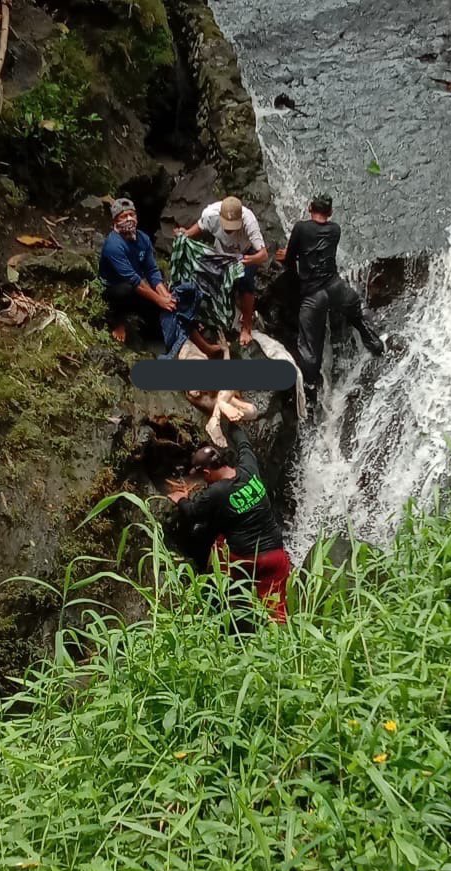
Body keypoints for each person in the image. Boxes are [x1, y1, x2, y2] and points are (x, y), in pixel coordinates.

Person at [167, 422, 291, 622]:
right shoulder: (249, 467)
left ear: (206, 473)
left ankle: (222, 609)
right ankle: (283, 643)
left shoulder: (216, 492)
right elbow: (243, 442)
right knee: (276, 612)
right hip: (275, 555)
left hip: (245, 560)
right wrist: (228, 419)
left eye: (202, 477)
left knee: (217, 549)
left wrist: (180, 498)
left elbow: (192, 513)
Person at [276, 193, 383, 394]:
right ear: (330, 213)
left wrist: (287, 257)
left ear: (309, 208)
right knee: (357, 317)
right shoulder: (335, 230)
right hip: (337, 288)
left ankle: (310, 386)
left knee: (309, 345)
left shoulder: (301, 227)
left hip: (314, 294)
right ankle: (375, 344)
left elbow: (291, 259)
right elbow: (317, 249)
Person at [175, 196, 269, 346]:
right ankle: (213, 316)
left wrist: (246, 260)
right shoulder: (210, 214)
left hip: (245, 252)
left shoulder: (249, 221)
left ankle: (247, 327)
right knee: (209, 278)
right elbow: (200, 226)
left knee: (245, 281)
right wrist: (184, 235)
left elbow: (263, 255)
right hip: (222, 251)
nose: (229, 228)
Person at [99, 197, 177, 344]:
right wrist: (159, 300)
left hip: (136, 286)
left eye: (132, 215)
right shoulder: (114, 245)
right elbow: (134, 280)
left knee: (161, 303)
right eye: (123, 216)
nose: (129, 219)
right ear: (115, 220)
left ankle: (158, 336)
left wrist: (165, 296)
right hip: (114, 288)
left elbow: (152, 270)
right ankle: (117, 322)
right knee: (126, 289)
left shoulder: (143, 239)